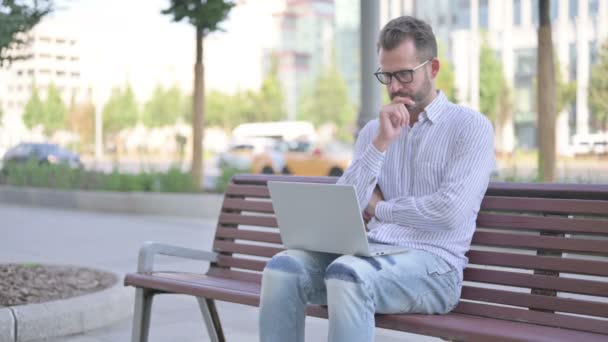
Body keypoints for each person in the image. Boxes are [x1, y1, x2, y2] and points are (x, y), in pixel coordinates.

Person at [259, 15, 495, 342]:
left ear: (434, 68)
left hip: (436, 268)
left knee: (349, 275)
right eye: (387, 75)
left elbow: (449, 211)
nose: (395, 86)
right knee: (282, 270)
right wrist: (380, 144)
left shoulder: (470, 128)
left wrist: (382, 209)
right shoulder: (374, 131)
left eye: (404, 74)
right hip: (372, 255)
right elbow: (347, 205)